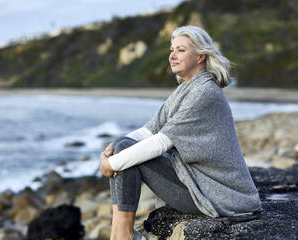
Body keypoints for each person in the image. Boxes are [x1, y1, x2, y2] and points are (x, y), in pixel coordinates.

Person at [99, 25, 263, 240]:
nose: (172, 56)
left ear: (200, 57)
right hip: (197, 183)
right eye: (171, 50)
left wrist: (110, 164)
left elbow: (161, 143)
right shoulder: (186, 89)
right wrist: (111, 151)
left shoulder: (204, 93)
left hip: (218, 195)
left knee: (127, 153)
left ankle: (121, 235)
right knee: (123, 144)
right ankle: (122, 234)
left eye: (181, 50)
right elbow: (149, 131)